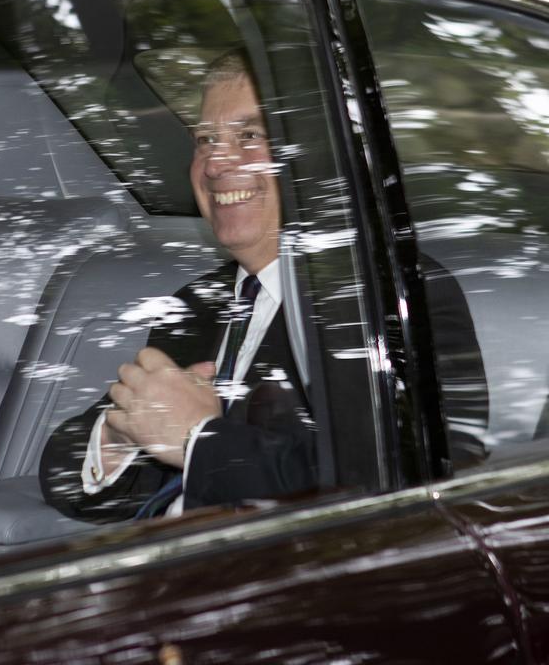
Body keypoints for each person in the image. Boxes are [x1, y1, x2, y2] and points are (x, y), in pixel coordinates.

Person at [39, 49, 487, 523]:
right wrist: (120, 437)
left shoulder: (391, 298)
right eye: (205, 139)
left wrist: (200, 438)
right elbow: (62, 469)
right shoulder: (196, 303)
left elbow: (404, 492)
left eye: (250, 135)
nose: (216, 162)